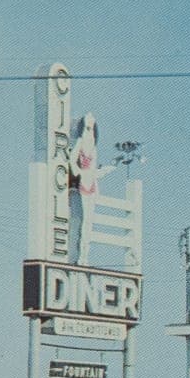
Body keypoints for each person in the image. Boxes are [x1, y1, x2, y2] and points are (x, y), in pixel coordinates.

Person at [68, 112, 116, 265]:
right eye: (87, 128)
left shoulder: (93, 149)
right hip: (81, 186)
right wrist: (78, 173)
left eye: (92, 128)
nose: (90, 132)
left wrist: (109, 168)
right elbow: (71, 160)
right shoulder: (80, 143)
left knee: (88, 223)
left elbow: (94, 172)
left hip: (91, 186)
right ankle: (77, 257)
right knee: (80, 222)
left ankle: (84, 256)